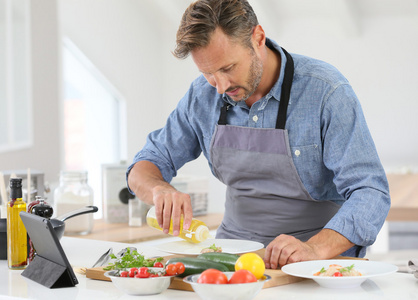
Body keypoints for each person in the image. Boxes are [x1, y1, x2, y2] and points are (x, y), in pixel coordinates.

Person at [127, 0, 390, 269]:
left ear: (258, 38)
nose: (220, 87)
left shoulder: (326, 91)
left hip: (316, 263)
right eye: (207, 73)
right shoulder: (202, 96)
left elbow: (370, 191)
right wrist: (159, 189)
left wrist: (314, 248)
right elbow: (145, 164)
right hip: (231, 260)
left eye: (228, 68)